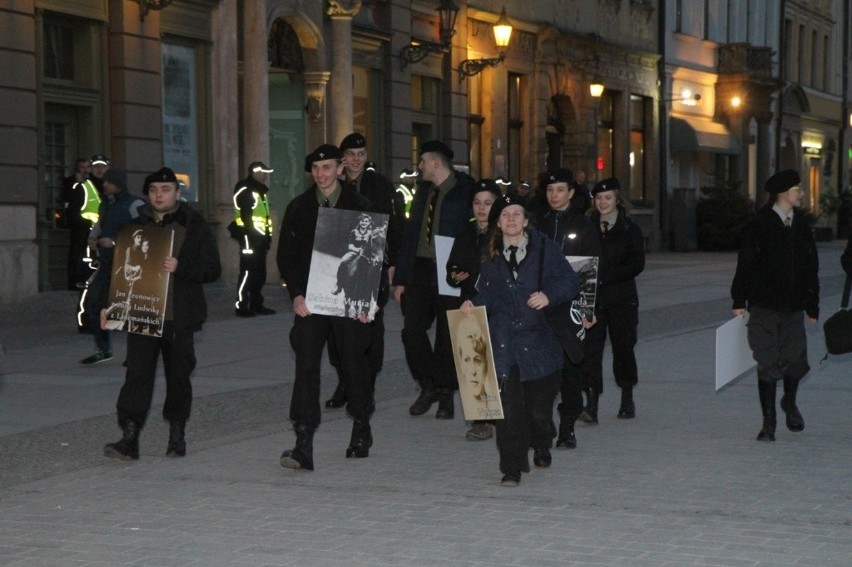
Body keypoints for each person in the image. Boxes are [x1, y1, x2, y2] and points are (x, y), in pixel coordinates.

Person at [102, 167, 222, 460]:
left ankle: (177, 434)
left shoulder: (194, 225)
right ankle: (129, 436)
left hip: (180, 315)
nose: (159, 195)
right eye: (154, 189)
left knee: (179, 376)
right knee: (137, 375)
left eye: (166, 189)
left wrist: (181, 268)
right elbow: (118, 270)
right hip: (143, 312)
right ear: (148, 194)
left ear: (177, 194)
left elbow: (212, 269)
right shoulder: (135, 227)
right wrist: (111, 305)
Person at [460, 193, 580, 486]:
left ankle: (541, 441)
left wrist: (549, 296)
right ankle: (511, 467)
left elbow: (571, 281)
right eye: (505, 215)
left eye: (516, 214)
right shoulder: (490, 255)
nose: (511, 219)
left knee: (538, 412)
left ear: (526, 221)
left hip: (540, 343)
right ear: (498, 223)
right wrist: (472, 303)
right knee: (509, 410)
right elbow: (487, 291)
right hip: (505, 344)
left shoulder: (546, 250)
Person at [276, 144, 376, 471]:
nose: (321, 174)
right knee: (306, 366)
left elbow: (375, 256)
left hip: (349, 301)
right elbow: (286, 258)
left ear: (341, 168)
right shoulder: (299, 207)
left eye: (328, 168)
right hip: (311, 303)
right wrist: (296, 295)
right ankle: (303, 441)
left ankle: (361, 424)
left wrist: (370, 300)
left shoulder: (360, 206)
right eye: (316, 169)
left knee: (352, 366)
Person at [731, 169, 818, 442]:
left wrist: (811, 305)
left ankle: (789, 403)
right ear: (783, 194)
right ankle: (768, 423)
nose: (801, 194)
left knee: (794, 361)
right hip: (765, 306)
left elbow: (811, 267)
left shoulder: (802, 227)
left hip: (793, 307)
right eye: (797, 190)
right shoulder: (760, 225)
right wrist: (738, 299)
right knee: (767, 362)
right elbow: (745, 264)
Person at [393, 140, 475, 419]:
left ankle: (445, 394)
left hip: (451, 269)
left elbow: (473, 233)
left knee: (447, 336)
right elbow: (410, 234)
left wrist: (468, 268)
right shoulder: (422, 191)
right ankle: (428, 383)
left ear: (436, 163)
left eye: (423, 161)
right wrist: (401, 278)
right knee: (411, 331)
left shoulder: (465, 192)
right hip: (420, 269)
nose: (420, 166)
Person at [324, 132, 404, 409]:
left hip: (373, 265)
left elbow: (393, 227)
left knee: (370, 326)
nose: (356, 160)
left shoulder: (380, 185)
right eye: (350, 155)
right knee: (337, 331)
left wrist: (392, 264)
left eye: (361, 154)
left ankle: (365, 382)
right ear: (342, 158)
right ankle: (345, 381)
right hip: (341, 265)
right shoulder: (331, 184)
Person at [537, 168, 600, 449]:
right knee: (542, 367)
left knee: (571, 367)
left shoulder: (583, 225)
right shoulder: (537, 223)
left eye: (560, 190)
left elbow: (589, 268)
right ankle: (544, 419)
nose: (554, 195)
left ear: (571, 193)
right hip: (540, 304)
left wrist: (587, 309)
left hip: (572, 305)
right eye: (550, 190)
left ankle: (567, 425)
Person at [580, 178, 645, 422]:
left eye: (608, 197)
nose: (603, 202)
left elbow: (637, 263)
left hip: (622, 299)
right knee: (590, 352)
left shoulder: (630, 228)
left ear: (617, 199)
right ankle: (592, 403)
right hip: (592, 298)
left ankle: (627, 396)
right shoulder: (586, 226)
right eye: (598, 198)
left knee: (624, 348)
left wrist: (606, 276)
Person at [446, 178, 500, 439]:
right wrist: (455, 275)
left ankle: (502, 412)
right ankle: (480, 419)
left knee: (498, 361)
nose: (482, 208)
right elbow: (450, 269)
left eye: (488, 203)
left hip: (498, 304)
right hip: (469, 302)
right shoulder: (465, 233)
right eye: (477, 203)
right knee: (473, 360)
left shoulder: (502, 233)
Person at [80, 168, 144, 365]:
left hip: (131, 267)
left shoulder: (135, 205)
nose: (104, 184)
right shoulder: (105, 205)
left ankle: (139, 354)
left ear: (118, 184)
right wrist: (93, 238)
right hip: (108, 265)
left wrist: (115, 242)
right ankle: (103, 349)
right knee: (93, 305)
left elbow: (146, 234)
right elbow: (100, 225)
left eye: (108, 181)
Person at [232, 161, 275, 316]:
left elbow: (263, 217)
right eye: (263, 172)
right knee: (248, 273)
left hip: (259, 239)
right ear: (256, 172)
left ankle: (256, 304)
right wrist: (252, 236)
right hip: (250, 239)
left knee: (259, 274)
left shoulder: (259, 190)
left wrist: (267, 236)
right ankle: (242, 306)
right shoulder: (246, 189)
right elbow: (246, 216)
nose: (265, 176)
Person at [62, 158, 97, 290]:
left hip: (92, 222)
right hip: (77, 224)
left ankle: (88, 279)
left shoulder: (93, 181)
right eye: (82, 167)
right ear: (77, 169)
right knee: (76, 253)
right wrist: (77, 183)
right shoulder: (70, 182)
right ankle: (74, 281)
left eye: (87, 167)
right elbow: (66, 198)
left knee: (91, 253)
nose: (85, 170)